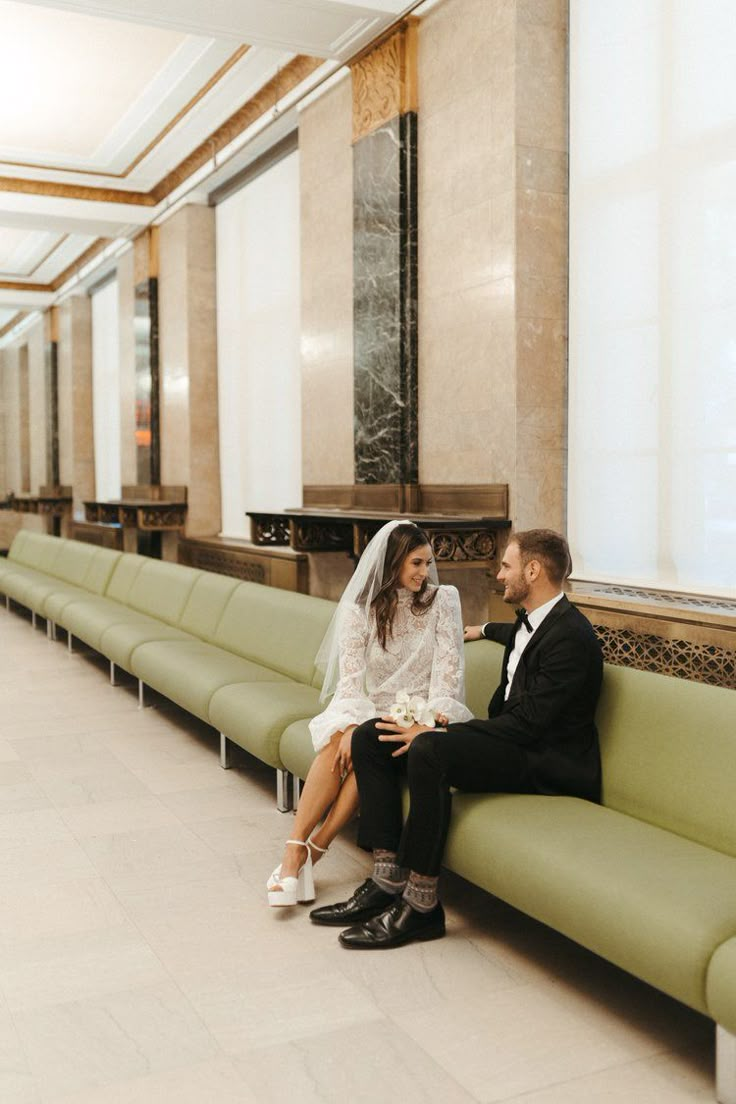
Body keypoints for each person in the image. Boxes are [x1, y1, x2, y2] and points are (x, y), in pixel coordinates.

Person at [310, 528, 603, 948]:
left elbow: (528, 726)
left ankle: (422, 904)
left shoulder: (573, 638)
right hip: (516, 747)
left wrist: (437, 729)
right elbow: (519, 637)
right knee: (372, 737)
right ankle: (386, 879)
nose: (499, 575)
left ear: (534, 570)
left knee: (429, 747)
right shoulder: (535, 622)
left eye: (507, 565)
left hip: (548, 764)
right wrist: (484, 629)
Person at [267, 519, 472, 907]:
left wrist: (417, 722)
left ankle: (307, 854)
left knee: (364, 746)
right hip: (374, 717)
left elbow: (446, 683)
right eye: (415, 563)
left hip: (423, 724)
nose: (424, 573)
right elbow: (350, 683)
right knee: (341, 742)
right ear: (392, 562)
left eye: (427, 563)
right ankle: (298, 851)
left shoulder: (443, 601)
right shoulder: (358, 611)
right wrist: (350, 725)